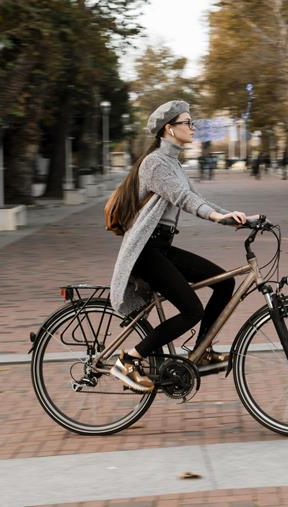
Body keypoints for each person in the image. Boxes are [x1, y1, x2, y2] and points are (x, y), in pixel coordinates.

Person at [108, 100, 252, 392]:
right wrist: (215, 215)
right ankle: (129, 360)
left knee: (225, 284)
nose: (192, 127)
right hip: (145, 251)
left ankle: (201, 354)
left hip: (161, 248)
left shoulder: (173, 164)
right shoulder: (155, 164)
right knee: (191, 310)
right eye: (187, 122)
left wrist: (236, 218)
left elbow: (200, 199)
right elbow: (184, 200)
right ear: (168, 129)